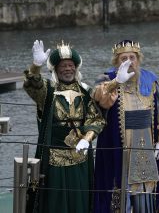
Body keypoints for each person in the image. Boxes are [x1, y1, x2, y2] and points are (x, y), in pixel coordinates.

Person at [24, 40, 105, 213]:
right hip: (54, 157)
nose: (68, 69)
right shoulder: (48, 91)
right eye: (63, 65)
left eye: (70, 65)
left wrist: (87, 138)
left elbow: (96, 119)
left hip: (80, 156)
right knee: (56, 201)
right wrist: (36, 66)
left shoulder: (85, 91)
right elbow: (33, 86)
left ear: (76, 68)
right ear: (55, 69)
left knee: (79, 199)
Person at [92, 40, 159, 213]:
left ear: (138, 59)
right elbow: (97, 98)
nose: (128, 62)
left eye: (132, 57)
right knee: (119, 187)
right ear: (116, 62)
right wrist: (116, 82)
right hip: (118, 145)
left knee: (145, 191)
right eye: (123, 58)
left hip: (146, 145)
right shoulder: (106, 79)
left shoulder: (151, 79)